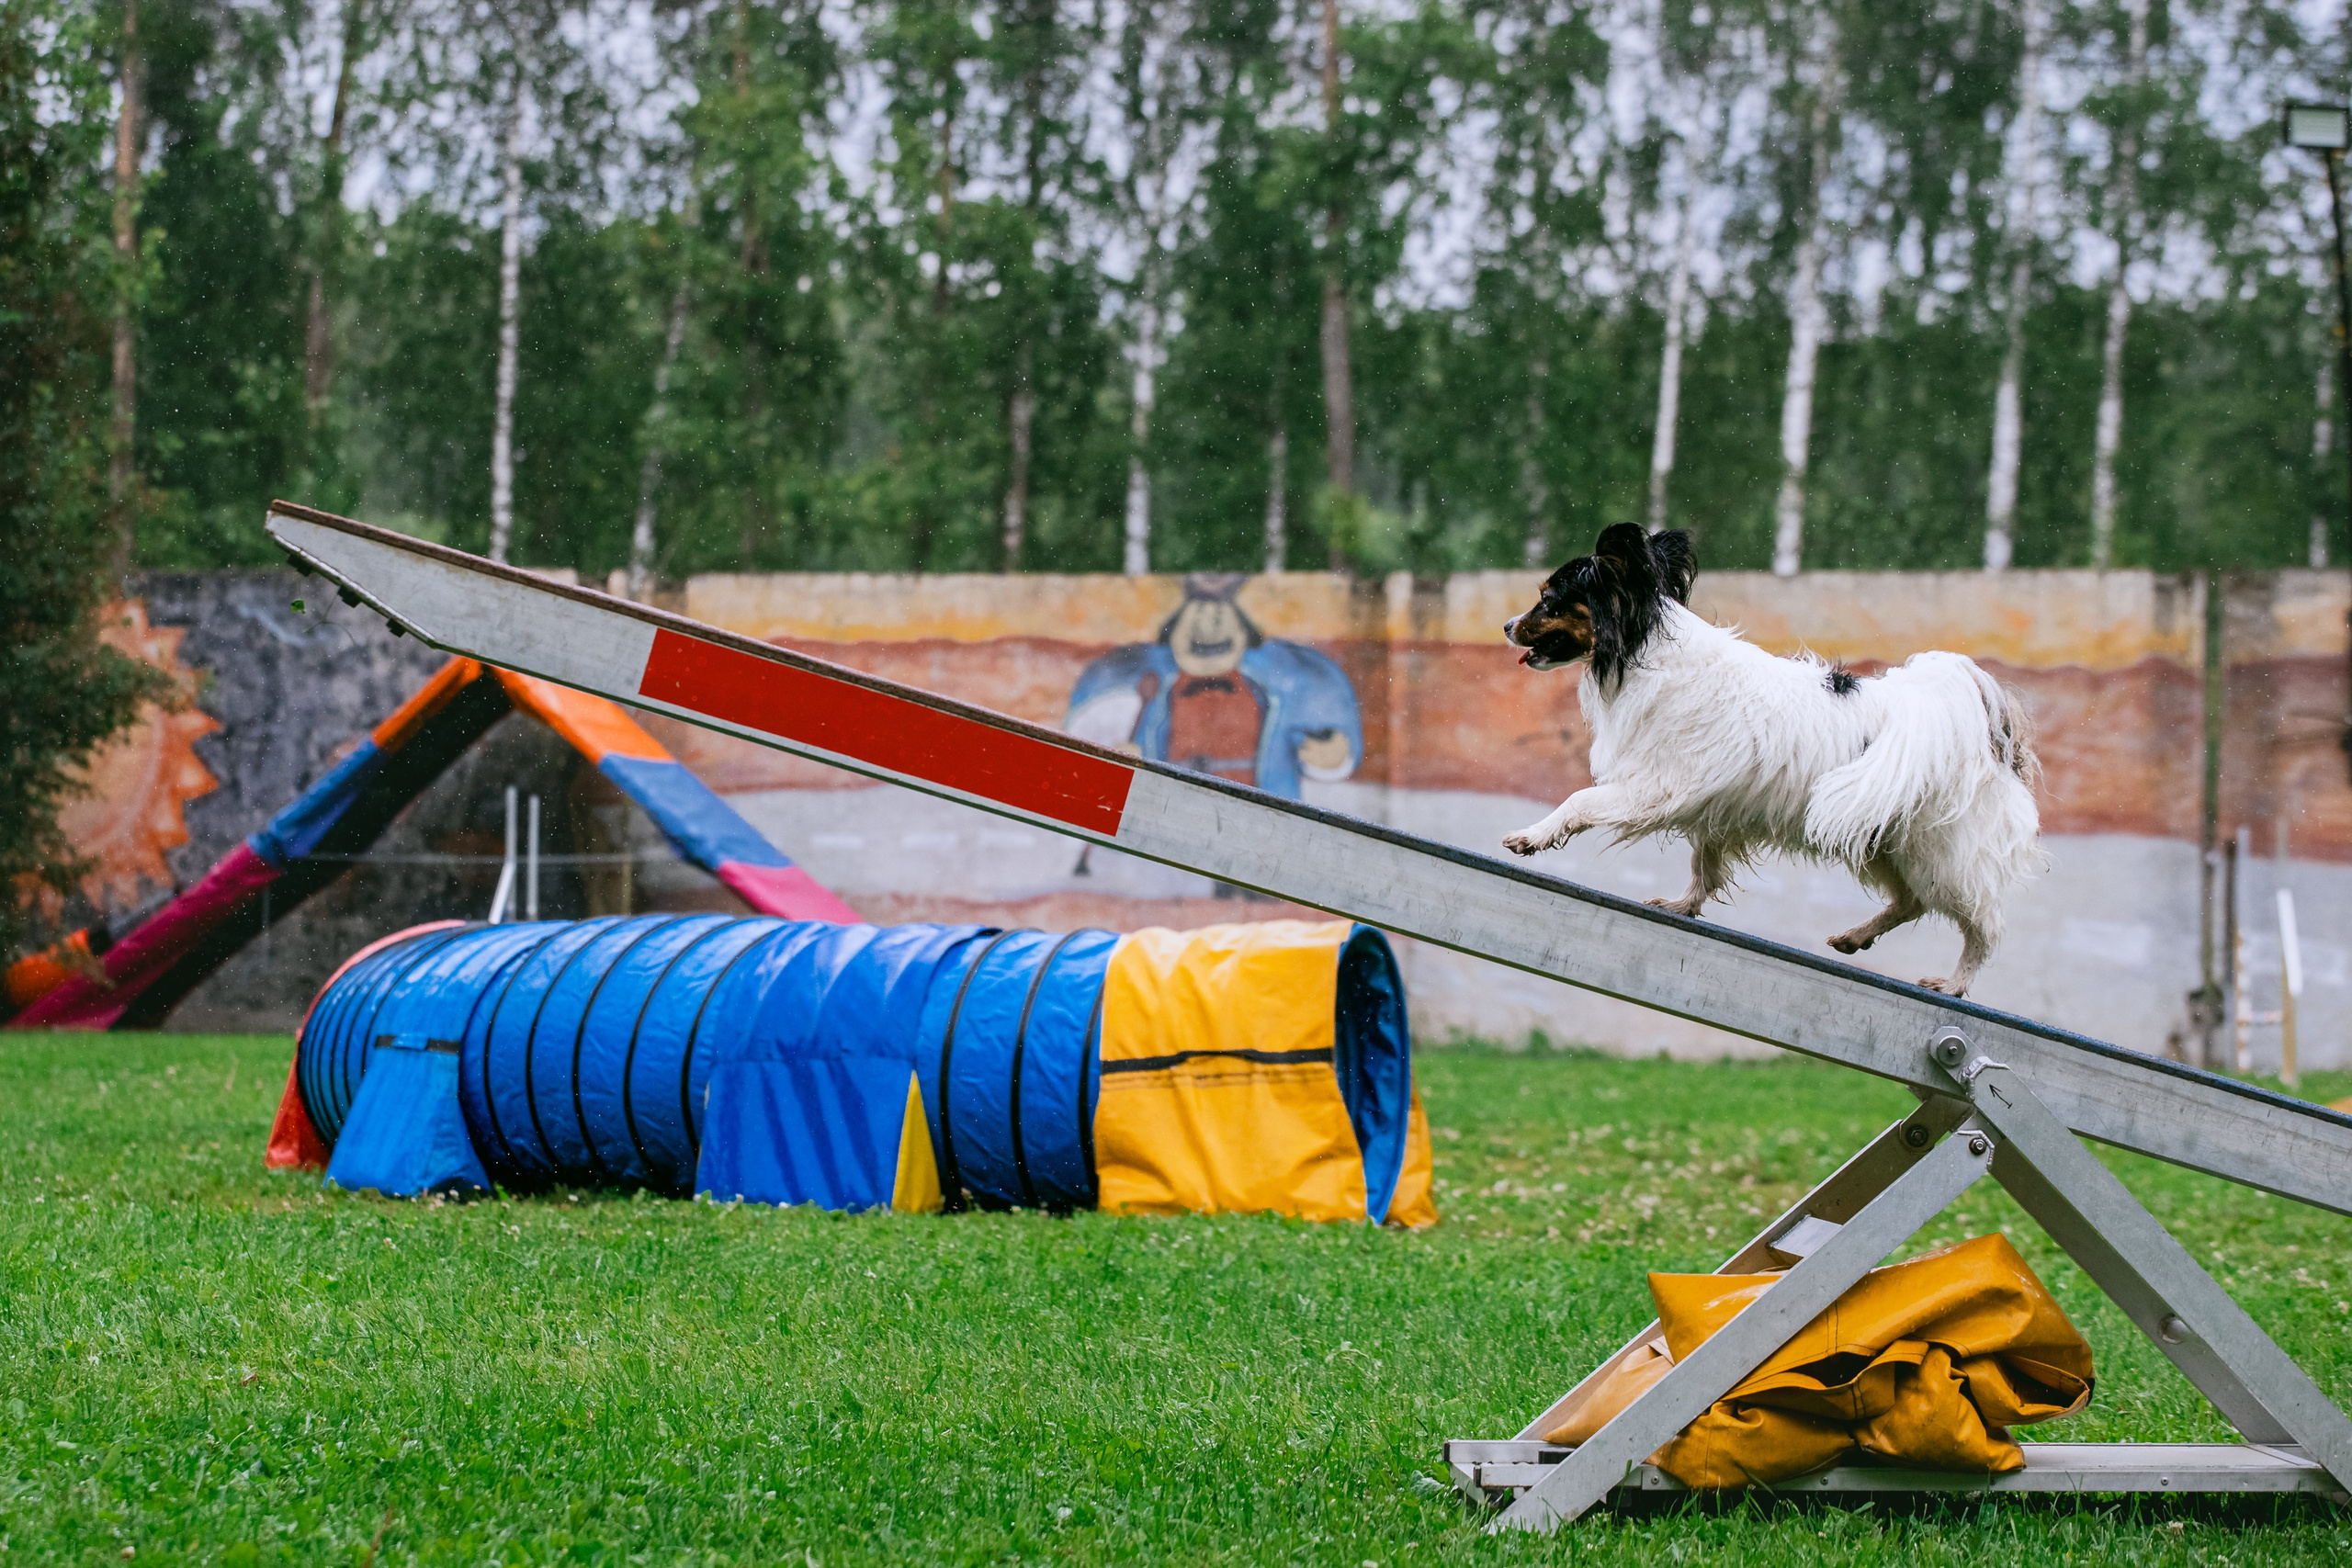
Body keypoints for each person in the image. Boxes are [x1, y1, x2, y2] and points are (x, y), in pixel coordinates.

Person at [1065, 574, 1361, 798]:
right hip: (1173, 824)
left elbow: (1321, 731)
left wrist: (1333, 755)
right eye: (1198, 614)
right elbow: (1090, 730)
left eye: (1219, 614)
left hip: (1259, 830)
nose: (1209, 627)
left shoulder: (1284, 685)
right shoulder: (1144, 683)